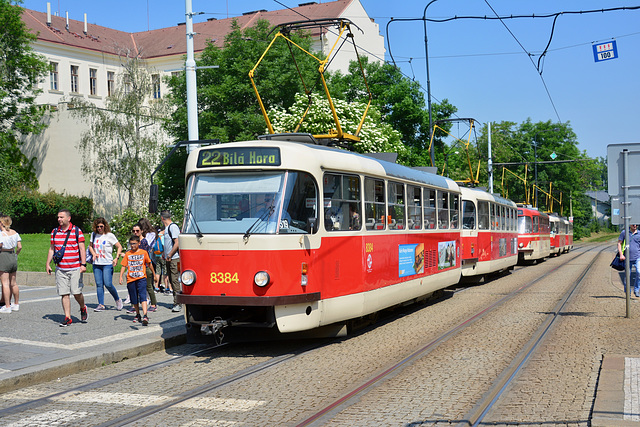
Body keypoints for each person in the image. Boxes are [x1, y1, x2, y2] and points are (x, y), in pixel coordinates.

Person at [46, 209, 88, 327]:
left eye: (61, 217)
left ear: (68, 218)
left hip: (75, 267)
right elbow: (52, 249)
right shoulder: (55, 232)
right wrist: (48, 263)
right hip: (60, 268)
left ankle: (82, 307)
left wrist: (83, 264)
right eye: (58, 217)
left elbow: (82, 249)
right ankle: (67, 317)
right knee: (64, 293)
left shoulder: (76, 231)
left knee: (76, 292)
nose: (59, 219)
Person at [119, 234, 155, 325]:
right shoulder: (128, 254)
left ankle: (145, 315)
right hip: (131, 279)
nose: (132, 246)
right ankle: (138, 314)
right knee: (134, 298)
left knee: (143, 296)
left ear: (139, 243)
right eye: (131, 244)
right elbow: (124, 266)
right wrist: (120, 277)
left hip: (141, 278)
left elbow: (149, 263)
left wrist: (154, 274)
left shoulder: (143, 252)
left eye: (134, 243)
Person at [89, 218, 123, 312]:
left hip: (107, 263)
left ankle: (117, 299)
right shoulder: (94, 235)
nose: (99, 228)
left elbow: (119, 246)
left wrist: (116, 257)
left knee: (108, 284)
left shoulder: (109, 235)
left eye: (101, 226)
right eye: (98, 226)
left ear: (105, 226)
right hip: (97, 263)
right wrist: (93, 254)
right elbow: (90, 246)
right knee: (99, 284)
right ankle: (101, 304)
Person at [0, 215, 22, 313]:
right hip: (13, 255)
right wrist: (16, 254)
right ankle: (16, 304)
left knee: (5, 283)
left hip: (4, 255)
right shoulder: (15, 232)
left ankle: (7, 306)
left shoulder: (1, 234)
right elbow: (20, 246)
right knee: (13, 283)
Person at [161, 210, 181, 312]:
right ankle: (175, 301)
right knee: (172, 281)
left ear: (162, 218)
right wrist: (165, 254)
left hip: (174, 258)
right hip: (169, 257)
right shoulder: (168, 228)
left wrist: (170, 254)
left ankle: (178, 303)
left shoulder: (173, 227)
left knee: (174, 280)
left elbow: (177, 242)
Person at [136, 219, 158, 312]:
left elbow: (147, 245)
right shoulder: (136, 239)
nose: (136, 232)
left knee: (149, 285)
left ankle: (153, 304)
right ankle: (136, 305)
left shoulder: (148, 237)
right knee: (137, 285)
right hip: (138, 264)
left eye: (138, 230)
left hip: (147, 262)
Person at [618, 223, 640, 296]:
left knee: (639, 272)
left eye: (636, 224)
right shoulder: (624, 232)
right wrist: (621, 254)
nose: (635, 226)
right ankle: (627, 291)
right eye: (633, 224)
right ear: (630, 224)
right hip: (627, 258)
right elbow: (619, 243)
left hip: (638, 257)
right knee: (627, 275)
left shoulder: (639, 233)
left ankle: (636, 289)